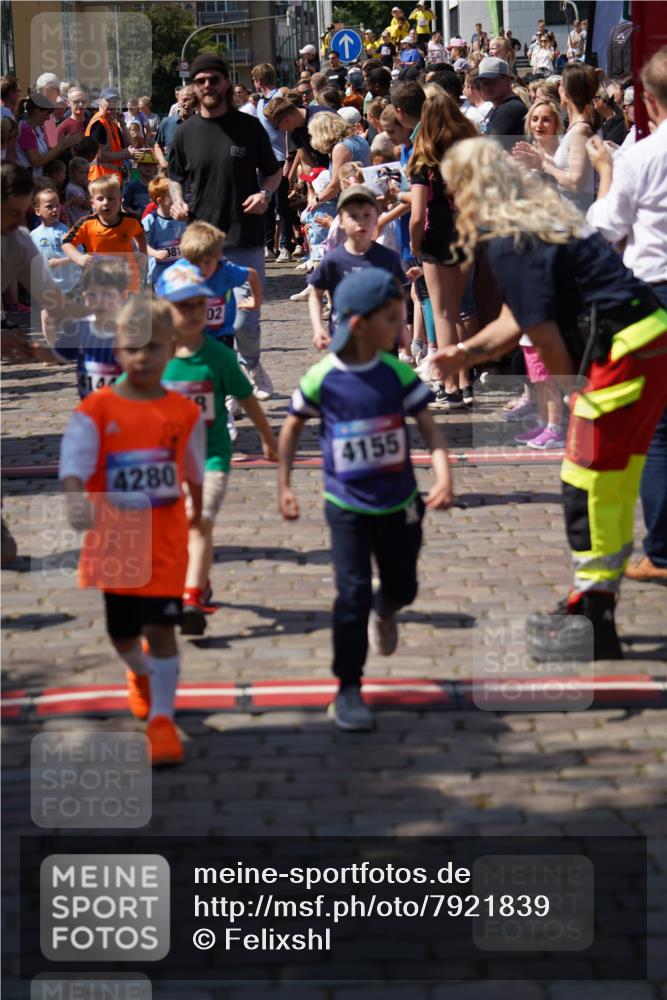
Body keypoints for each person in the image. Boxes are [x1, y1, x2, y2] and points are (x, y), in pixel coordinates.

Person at [431, 137, 667, 659]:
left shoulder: (512, 239)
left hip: (621, 353)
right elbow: (516, 319)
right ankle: (593, 605)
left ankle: (593, 614)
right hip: (649, 337)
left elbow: (543, 337)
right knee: (610, 480)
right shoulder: (541, 218)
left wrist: (573, 400)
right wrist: (465, 353)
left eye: (454, 191)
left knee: (585, 484)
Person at [279, 267, 453, 731]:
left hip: (401, 503)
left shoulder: (395, 373)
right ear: (359, 325)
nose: (401, 327)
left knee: (403, 589)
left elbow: (430, 430)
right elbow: (293, 426)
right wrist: (284, 484)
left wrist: (444, 476)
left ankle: (387, 605)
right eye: (394, 319)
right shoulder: (323, 378)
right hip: (347, 507)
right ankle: (348, 688)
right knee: (350, 594)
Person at [59, 294, 205, 765]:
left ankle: (162, 720)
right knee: (122, 634)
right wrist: (76, 496)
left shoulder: (183, 412)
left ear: (172, 348)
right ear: (117, 350)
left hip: (165, 541)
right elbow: (74, 465)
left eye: (154, 347)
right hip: (116, 542)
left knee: (163, 629)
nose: (143, 357)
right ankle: (138, 672)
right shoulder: (97, 410)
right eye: (133, 347)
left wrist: (197, 513)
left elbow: (192, 470)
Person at [155, 259, 278, 634]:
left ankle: (191, 596)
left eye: (197, 304)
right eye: (182, 306)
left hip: (211, 456)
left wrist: (268, 437)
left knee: (201, 519)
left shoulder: (220, 357)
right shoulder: (154, 359)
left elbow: (249, 399)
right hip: (167, 462)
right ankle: (199, 581)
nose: (192, 313)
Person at [586, 45, 667, 584]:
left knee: (657, 427)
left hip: (655, 292)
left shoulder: (641, 155)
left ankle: (661, 551)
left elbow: (604, 226)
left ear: (653, 104)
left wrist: (604, 171)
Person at [169, 55, 282, 402]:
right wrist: (176, 201)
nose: (207, 86)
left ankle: (252, 363)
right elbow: (175, 177)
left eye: (213, 80)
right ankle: (230, 387)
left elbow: (275, 171)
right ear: (194, 86)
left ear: (226, 84)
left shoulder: (249, 128)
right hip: (202, 243)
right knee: (212, 321)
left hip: (245, 236)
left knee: (246, 319)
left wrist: (265, 194)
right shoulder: (184, 132)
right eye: (200, 80)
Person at [407, 88, 477, 410]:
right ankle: (464, 381)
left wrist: (415, 245)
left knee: (443, 312)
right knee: (460, 312)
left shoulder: (424, 162)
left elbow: (418, 215)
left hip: (436, 238)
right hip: (466, 234)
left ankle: (449, 386)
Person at [307, 185, 407, 350]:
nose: (361, 222)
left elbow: (398, 297)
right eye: (353, 216)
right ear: (340, 221)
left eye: (367, 215)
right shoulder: (333, 261)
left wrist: (401, 328)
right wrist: (318, 329)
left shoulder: (388, 258)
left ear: (377, 219)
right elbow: (315, 295)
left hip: (382, 341)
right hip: (345, 343)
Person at [516, 63, 597, 211]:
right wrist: (539, 158)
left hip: (578, 216)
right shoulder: (576, 128)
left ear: (565, 92)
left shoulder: (581, 130)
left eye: (561, 83)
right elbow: (567, 169)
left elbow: (576, 183)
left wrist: (544, 165)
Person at [44, 257, 127, 398]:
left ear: (122, 296)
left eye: (108, 294)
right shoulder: (79, 328)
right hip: (90, 405)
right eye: (93, 295)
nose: (100, 301)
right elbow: (60, 353)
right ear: (85, 297)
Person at [179, 220, 262, 347]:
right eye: (195, 263)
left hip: (221, 334)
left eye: (207, 263)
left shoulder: (227, 272)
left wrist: (255, 302)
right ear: (187, 258)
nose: (202, 269)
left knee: (222, 364)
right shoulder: (178, 271)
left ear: (218, 257)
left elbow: (253, 275)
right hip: (191, 334)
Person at [62, 175, 147, 293]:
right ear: (92, 203)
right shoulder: (86, 224)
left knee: (126, 311)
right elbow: (66, 243)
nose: (106, 202)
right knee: (103, 310)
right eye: (100, 199)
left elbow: (141, 234)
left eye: (111, 198)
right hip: (99, 280)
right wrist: (78, 257)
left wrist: (143, 254)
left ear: (120, 199)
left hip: (127, 280)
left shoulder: (131, 221)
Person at [252, 62, 295, 263]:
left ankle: (286, 246)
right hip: (264, 160)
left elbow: (287, 131)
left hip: (279, 159)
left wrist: (288, 158)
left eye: (254, 80)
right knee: (266, 204)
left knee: (282, 205)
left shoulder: (279, 98)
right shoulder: (260, 102)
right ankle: (268, 245)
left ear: (259, 81)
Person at [85, 88, 140, 185]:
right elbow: (102, 156)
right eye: (109, 101)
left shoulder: (113, 124)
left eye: (115, 101)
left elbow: (130, 146)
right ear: (100, 102)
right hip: (99, 180)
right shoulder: (98, 124)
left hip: (112, 180)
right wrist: (125, 154)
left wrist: (122, 124)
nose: (112, 105)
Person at [30, 186, 79, 294]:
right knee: (45, 310)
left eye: (57, 206)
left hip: (65, 286)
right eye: (49, 206)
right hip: (43, 284)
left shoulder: (64, 232)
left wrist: (60, 261)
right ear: (38, 211)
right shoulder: (33, 234)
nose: (55, 209)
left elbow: (78, 254)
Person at [16, 96, 80, 177]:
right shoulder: (25, 130)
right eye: (46, 114)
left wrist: (65, 144)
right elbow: (37, 162)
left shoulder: (37, 129)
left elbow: (48, 154)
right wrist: (61, 145)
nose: (48, 118)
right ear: (37, 111)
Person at [142, 176, 186, 286]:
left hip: (180, 270)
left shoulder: (181, 218)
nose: (178, 198)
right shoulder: (150, 220)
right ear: (160, 201)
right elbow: (141, 244)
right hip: (158, 273)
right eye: (172, 196)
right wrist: (155, 253)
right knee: (160, 302)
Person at [477, 57, 526, 138]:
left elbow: (488, 147)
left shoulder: (509, 109)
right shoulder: (504, 107)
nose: (486, 87)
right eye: (482, 83)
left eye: (491, 82)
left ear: (507, 80)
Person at [153, 85, 197, 170]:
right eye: (184, 100)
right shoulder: (167, 122)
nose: (187, 104)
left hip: (196, 176)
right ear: (178, 101)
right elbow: (157, 145)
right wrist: (163, 162)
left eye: (190, 100)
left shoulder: (202, 123)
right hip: (174, 176)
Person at [122, 150, 157, 219]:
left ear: (155, 168)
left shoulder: (158, 186)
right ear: (138, 167)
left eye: (151, 165)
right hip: (138, 221)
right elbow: (125, 205)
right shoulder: (132, 186)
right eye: (145, 165)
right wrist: (134, 212)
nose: (148, 167)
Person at [64, 156, 91, 226]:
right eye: (81, 172)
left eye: (87, 173)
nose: (85, 176)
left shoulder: (78, 187)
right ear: (72, 173)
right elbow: (89, 205)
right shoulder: (73, 189)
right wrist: (88, 188)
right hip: (79, 224)